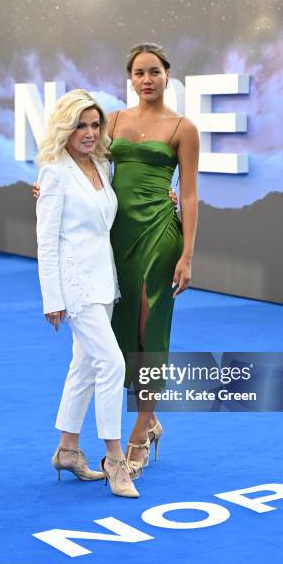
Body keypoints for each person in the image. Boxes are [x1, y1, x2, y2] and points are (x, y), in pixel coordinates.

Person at [36, 89, 139, 498]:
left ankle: (66, 450)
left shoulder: (101, 165)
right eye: (81, 124)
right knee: (112, 364)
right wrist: (52, 298)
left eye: (95, 124)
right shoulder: (53, 172)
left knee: (83, 368)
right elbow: (46, 241)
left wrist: (168, 199)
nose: (90, 132)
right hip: (74, 285)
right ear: (65, 127)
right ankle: (114, 459)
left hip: (103, 281)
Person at [108, 42, 199, 471]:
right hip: (116, 236)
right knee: (123, 331)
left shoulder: (183, 127)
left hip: (160, 234)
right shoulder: (113, 120)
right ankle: (153, 417)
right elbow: (84, 165)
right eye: (139, 73)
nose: (147, 80)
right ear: (130, 79)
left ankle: (141, 432)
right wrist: (46, 185)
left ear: (168, 76)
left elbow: (191, 194)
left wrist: (188, 254)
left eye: (154, 72)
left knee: (150, 328)